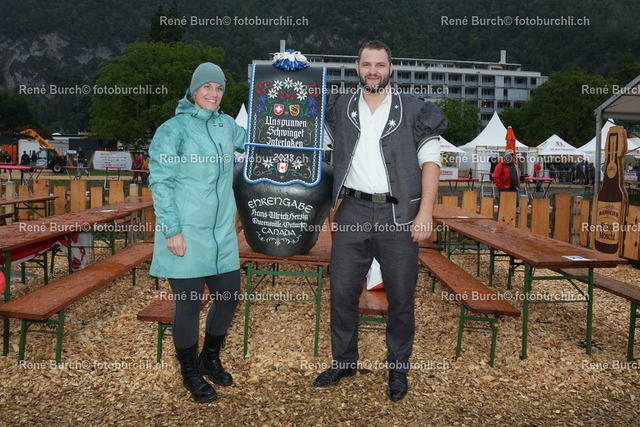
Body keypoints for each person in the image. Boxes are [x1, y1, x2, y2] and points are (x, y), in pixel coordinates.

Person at [314, 40, 447, 402]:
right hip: (353, 210)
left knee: (401, 296)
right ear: (357, 68)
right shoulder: (340, 107)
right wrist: (285, 71)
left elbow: (431, 163)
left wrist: (425, 213)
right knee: (342, 292)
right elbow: (302, 125)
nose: (373, 71)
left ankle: (398, 368)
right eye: (366, 64)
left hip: (399, 215)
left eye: (380, 65)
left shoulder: (415, 110)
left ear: (391, 69)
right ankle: (344, 361)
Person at [149, 62, 246, 403]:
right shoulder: (172, 130)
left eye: (219, 88)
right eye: (207, 87)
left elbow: (261, 137)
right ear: (194, 90)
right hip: (186, 232)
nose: (213, 93)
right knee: (189, 304)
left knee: (229, 297)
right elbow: (160, 183)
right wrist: (172, 230)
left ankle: (209, 358)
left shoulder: (226, 125)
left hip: (221, 235)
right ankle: (189, 371)